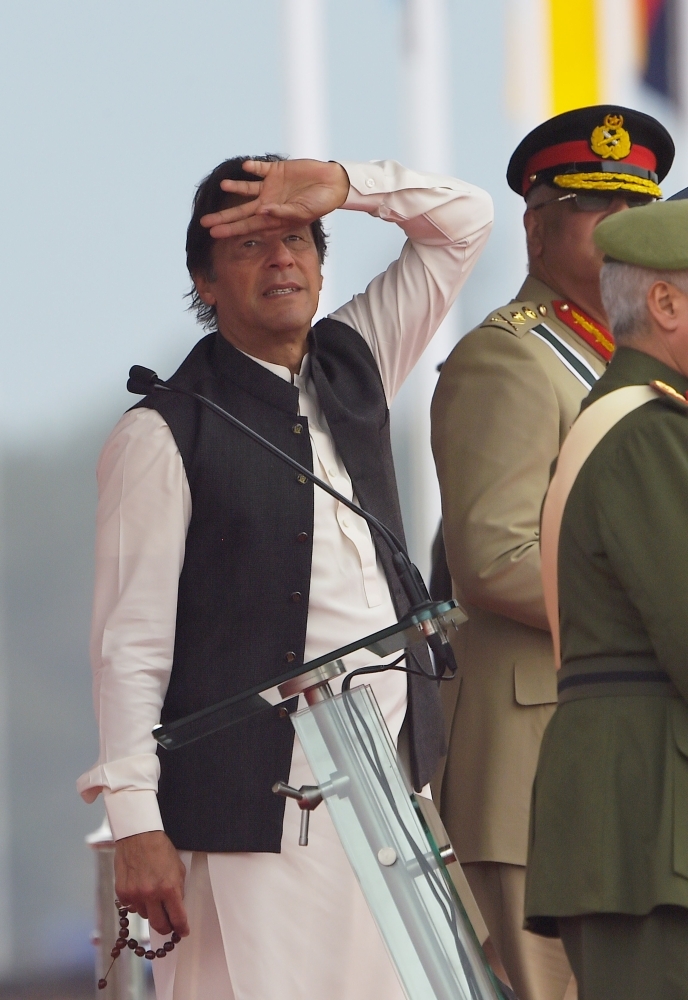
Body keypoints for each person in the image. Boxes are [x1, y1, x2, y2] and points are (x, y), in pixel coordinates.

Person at [76, 155, 493, 1000]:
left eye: (298, 238)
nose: (283, 261)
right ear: (204, 276)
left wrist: (346, 183)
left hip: (387, 790)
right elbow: (130, 646)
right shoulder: (163, 433)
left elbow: (467, 221)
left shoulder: (357, 357)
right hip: (254, 814)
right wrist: (136, 826)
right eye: (252, 245)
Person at [430, 105, 674, 1000]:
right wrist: (652, 603)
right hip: (533, 769)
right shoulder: (512, 361)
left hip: (627, 763)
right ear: (538, 228)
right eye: (601, 211)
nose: (628, 233)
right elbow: (493, 558)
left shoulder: (636, 358)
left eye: (639, 211)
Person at [525, 198, 688, 1000]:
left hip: (644, 822)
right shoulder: (649, 435)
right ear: (665, 304)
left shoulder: (636, 421)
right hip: (648, 826)